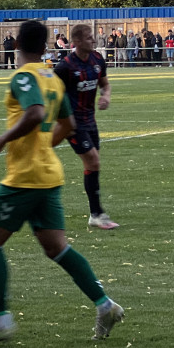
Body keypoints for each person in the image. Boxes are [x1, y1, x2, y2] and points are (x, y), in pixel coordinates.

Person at [0, 20, 123, 346]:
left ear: (16, 44)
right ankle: (105, 305)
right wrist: (45, 146)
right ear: (45, 47)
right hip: (48, 175)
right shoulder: (51, 77)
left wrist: (5, 137)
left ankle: (1, 319)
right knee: (56, 247)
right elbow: (69, 124)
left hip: (24, 179)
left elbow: (33, 113)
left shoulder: (23, 76)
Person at [54, 24, 118, 230]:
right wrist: (63, 122)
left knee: (92, 165)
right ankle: (97, 213)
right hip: (73, 123)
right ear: (78, 42)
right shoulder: (65, 67)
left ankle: (95, 214)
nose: (93, 40)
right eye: (89, 38)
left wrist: (105, 96)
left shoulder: (97, 60)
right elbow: (53, 97)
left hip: (90, 121)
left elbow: (105, 84)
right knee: (93, 160)